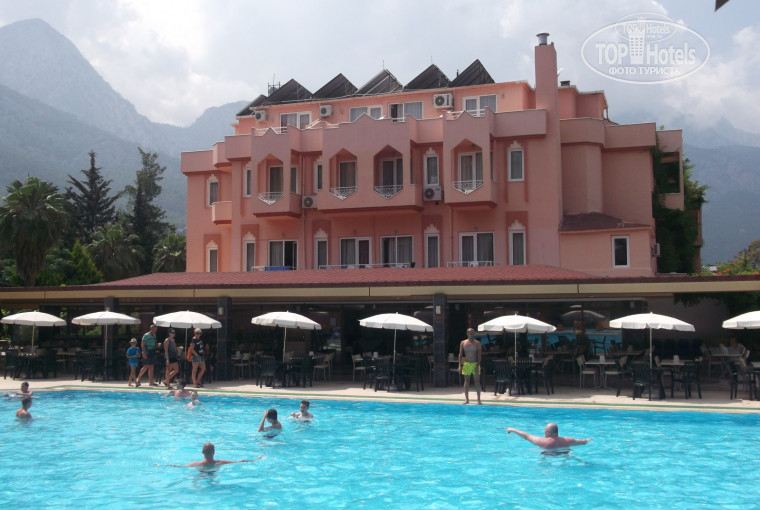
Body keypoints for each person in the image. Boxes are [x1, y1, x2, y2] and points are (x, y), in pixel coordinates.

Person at [506, 423, 592, 452]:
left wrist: (513, 430)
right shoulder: (568, 440)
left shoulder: (543, 441)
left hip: (549, 457)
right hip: (564, 454)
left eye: (545, 431)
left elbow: (526, 436)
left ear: (548, 433)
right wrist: (587, 440)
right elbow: (582, 442)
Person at [172, 443, 263, 467]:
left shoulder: (196, 464)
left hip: (202, 472)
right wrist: (256, 460)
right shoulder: (220, 462)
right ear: (214, 452)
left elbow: (179, 467)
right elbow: (239, 461)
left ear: (202, 452)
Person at [458, 328, 483, 405]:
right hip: (467, 364)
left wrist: (477, 365)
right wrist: (459, 366)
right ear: (467, 334)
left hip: (475, 363)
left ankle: (479, 399)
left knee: (477, 382)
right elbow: (460, 355)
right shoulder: (463, 343)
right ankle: (467, 399)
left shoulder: (477, 343)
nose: (472, 335)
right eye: (470, 334)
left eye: (473, 334)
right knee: (466, 382)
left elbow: (479, 355)